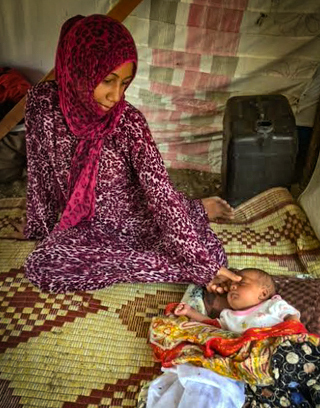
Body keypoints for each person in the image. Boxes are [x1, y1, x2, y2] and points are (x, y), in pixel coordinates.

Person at [22, 14, 241, 293]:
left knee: (209, 254)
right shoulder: (42, 104)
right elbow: (40, 171)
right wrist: (38, 227)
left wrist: (203, 265)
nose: (116, 95)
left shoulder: (128, 122)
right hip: (85, 226)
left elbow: (159, 192)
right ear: (78, 68)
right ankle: (195, 215)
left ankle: (192, 215)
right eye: (107, 81)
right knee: (42, 267)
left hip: (135, 218)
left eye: (124, 83)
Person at [174, 268, 300, 333]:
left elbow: (292, 317)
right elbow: (213, 324)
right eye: (232, 286)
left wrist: (293, 333)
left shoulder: (273, 304)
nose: (233, 286)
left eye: (242, 283)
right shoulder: (228, 316)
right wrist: (189, 311)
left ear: (263, 293)